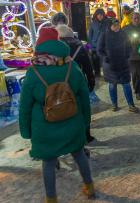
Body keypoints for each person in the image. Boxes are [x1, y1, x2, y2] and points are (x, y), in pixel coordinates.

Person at [19, 28, 95, 202]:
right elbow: (84, 97)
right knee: (79, 155)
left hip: (44, 127)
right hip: (72, 122)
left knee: (48, 163)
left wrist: (26, 130)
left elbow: (25, 106)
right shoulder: (71, 66)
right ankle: (90, 187)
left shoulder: (33, 72)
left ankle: (51, 199)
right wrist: (86, 121)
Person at [57, 24, 96, 143]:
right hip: (79, 80)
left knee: (66, 109)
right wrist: (91, 80)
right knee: (83, 108)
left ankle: (70, 136)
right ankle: (86, 135)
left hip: (62, 83)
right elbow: (88, 66)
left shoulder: (57, 47)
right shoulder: (80, 45)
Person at [97, 18, 139, 112]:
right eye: (114, 25)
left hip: (123, 63)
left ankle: (131, 105)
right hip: (110, 65)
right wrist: (105, 58)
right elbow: (99, 49)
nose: (117, 27)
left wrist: (128, 55)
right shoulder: (104, 35)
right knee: (112, 85)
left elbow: (129, 46)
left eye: (118, 25)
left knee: (126, 84)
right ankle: (114, 105)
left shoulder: (123, 34)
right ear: (110, 26)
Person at [88, 8, 110, 77]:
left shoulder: (108, 23)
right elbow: (89, 36)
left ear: (104, 15)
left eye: (101, 15)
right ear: (96, 15)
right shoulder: (93, 23)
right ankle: (97, 73)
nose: (100, 16)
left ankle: (106, 74)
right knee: (95, 61)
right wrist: (89, 47)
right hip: (94, 46)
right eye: (98, 15)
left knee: (105, 61)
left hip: (104, 46)